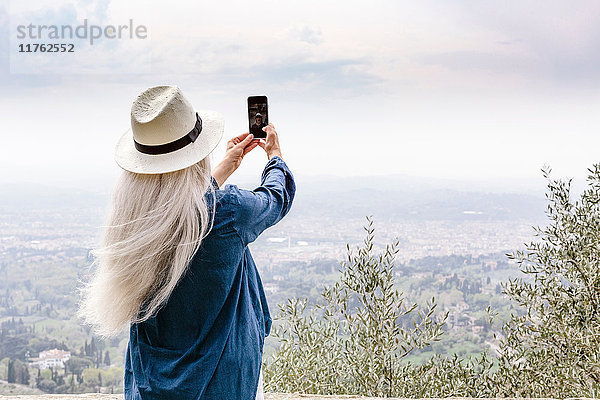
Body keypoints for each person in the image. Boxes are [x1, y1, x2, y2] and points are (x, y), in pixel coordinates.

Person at [77, 86, 295, 399]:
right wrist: (274, 156)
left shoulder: (133, 221)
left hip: (151, 385)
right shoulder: (227, 213)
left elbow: (179, 209)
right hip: (223, 384)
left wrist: (224, 169)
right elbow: (276, 197)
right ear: (197, 153)